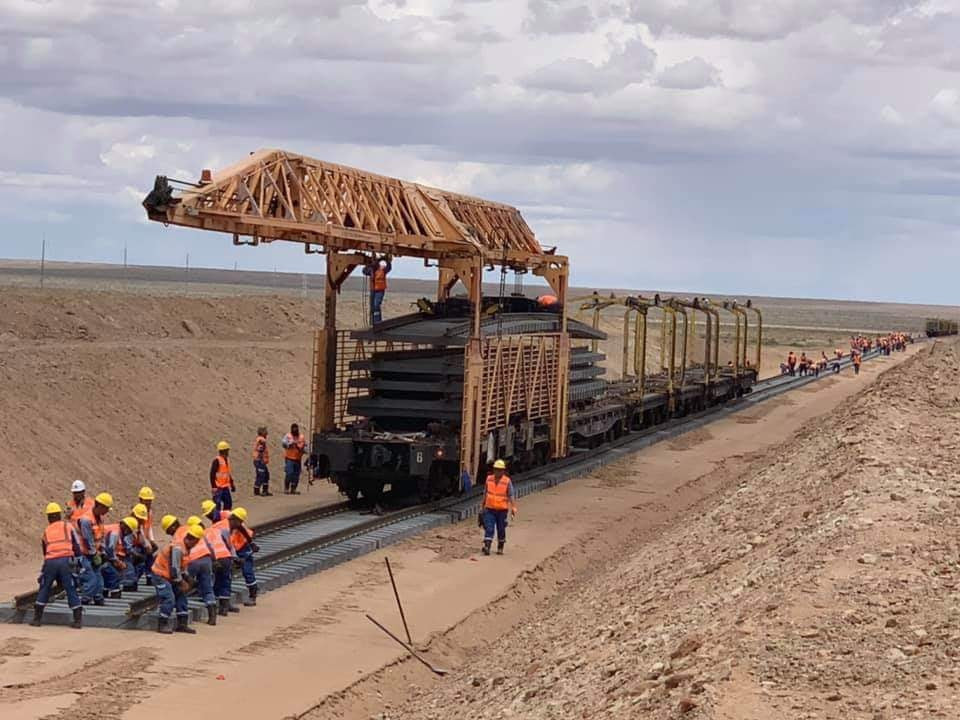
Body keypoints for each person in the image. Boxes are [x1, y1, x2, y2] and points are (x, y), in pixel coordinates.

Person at [30, 503, 83, 629]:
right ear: (59, 515)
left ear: (48, 517)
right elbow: (76, 545)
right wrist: (79, 561)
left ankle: (37, 619)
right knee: (70, 587)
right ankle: (77, 620)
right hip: (65, 560)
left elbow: (45, 550)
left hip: (51, 561)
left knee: (45, 587)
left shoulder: (46, 531)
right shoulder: (68, 526)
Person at [150, 525, 202, 634]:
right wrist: (182, 582)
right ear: (194, 540)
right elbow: (174, 569)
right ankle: (162, 624)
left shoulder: (186, 548)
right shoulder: (178, 548)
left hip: (169, 576)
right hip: (160, 575)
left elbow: (181, 567)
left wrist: (188, 578)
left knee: (181, 597)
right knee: (169, 598)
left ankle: (182, 624)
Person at [195, 508, 238, 616]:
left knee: (214, 580)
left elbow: (206, 549)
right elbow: (228, 544)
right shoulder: (216, 529)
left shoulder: (201, 535)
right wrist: (234, 557)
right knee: (225, 581)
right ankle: (224, 607)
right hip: (225, 557)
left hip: (215, 558)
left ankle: (213, 601)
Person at [75, 492, 113, 606]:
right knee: (90, 579)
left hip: (93, 553)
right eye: (106, 508)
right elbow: (87, 540)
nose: (106, 512)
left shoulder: (98, 519)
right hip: (84, 554)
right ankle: (84, 601)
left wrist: (102, 550)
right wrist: (94, 554)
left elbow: (99, 537)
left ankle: (98, 598)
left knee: (98, 578)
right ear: (100, 506)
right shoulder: (87, 520)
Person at [184, 516, 219, 625]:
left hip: (193, 561)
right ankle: (212, 615)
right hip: (206, 560)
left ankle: (180, 609)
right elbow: (211, 549)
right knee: (207, 589)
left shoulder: (187, 537)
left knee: (184, 584)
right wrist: (214, 560)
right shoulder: (202, 536)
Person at [481, 459, 517, 556]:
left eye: (500, 470)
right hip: (490, 509)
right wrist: (482, 506)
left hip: (502, 510)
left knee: (501, 528)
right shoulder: (489, 479)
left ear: (503, 471)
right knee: (489, 527)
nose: (498, 471)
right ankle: (487, 546)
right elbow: (485, 493)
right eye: (496, 469)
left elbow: (511, 495)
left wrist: (513, 507)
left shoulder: (507, 481)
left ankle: (500, 546)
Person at [100, 517, 137, 598]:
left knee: (107, 573)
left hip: (104, 554)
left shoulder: (119, 531)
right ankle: (114, 592)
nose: (128, 533)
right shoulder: (115, 533)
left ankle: (104, 591)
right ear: (124, 525)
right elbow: (110, 549)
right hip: (101, 554)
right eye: (129, 530)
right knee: (113, 574)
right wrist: (116, 561)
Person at [229, 507, 260, 606]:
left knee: (247, 572)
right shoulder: (230, 522)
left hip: (244, 549)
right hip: (235, 550)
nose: (231, 520)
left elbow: (244, 532)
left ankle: (253, 595)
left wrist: (251, 545)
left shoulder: (240, 527)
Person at [362, 254, 392, 324]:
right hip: (373, 290)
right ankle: (374, 322)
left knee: (376, 305)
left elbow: (389, 267)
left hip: (380, 291)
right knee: (373, 307)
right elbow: (364, 271)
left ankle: (377, 322)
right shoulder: (371, 270)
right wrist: (370, 265)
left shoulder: (382, 270)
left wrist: (384, 259)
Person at [210, 440, 236, 512]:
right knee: (217, 506)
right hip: (218, 488)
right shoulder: (217, 460)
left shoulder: (225, 460)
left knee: (228, 503)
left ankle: (225, 518)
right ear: (224, 451)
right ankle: (217, 520)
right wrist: (214, 486)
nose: (228, 452)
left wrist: (232, 483)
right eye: (227, 450)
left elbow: (227, 472)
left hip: (225, 487)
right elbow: (212, 474)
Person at [282, 424, 307, 495]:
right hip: (289, 458)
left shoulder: (301, 437)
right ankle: (286, 488)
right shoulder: (288, 436)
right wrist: (289, 444)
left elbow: (305, 447)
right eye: (293, 429)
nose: (295, 430)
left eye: (296, 429)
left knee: (296, 475)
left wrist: (300, 448)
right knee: (289, 473)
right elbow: (283, 444)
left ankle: (293, 489)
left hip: (298, 459)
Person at [252, 427, 272, 497]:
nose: (267, 433)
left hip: (260, 461)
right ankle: (257, 491)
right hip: (260, 461)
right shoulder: (261, 440)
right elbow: (260, 449)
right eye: (266, 432)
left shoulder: (260, 439)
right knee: (261, 475)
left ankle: (265, 490)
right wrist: (261, 460)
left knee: (266, 475)